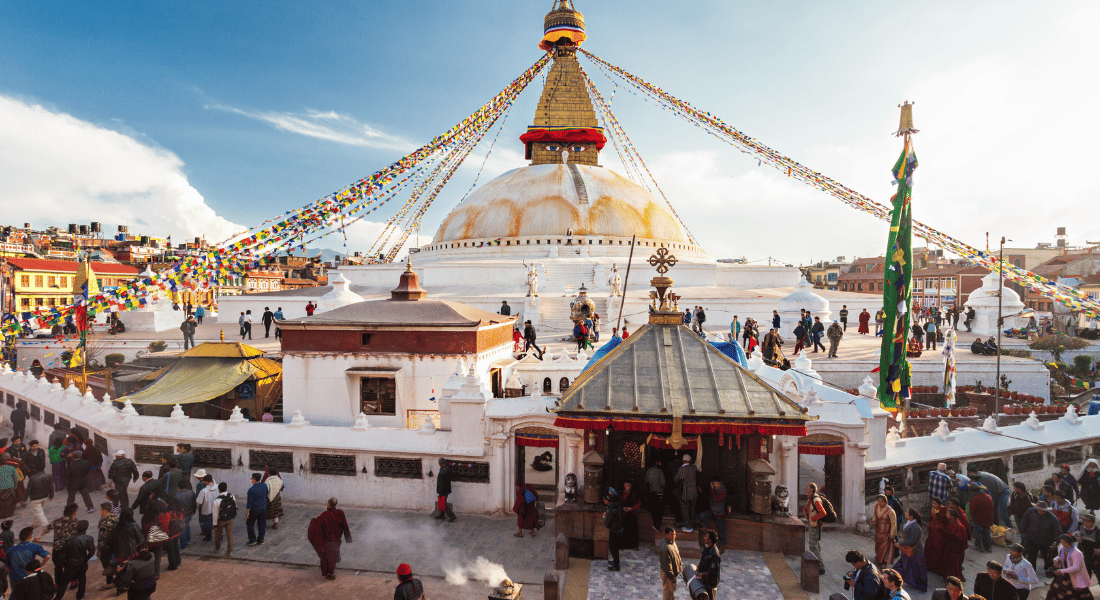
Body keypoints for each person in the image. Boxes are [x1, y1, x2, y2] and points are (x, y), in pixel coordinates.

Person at [307, 498, 352, 580]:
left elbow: (315, 525)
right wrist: (348, 537)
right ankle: (333, 565)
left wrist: (312, 521)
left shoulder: (324, 515)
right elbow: (345, 525)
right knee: (334, 551)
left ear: (328, 504)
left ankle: (331, 573)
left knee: (327, 556)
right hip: (337, 539)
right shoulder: (340, 512)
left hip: (328, 541)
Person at [53, 519, 94, 600]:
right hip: (82, 562)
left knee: (64, 582)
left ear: (76, 528)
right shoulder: (89, 538)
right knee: (82, 579)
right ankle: (80, 596)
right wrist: (86, 559)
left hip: (70, 563)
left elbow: (62, 555)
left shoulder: (69, 540)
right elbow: (92, 552)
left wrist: (63, 564)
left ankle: (58, 598)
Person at [1019, 501, 1060, 574]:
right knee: (1031, 556)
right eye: (1039, 509)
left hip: (1046, 540)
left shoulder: (1053, 518)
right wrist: (1023, 532)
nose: (1040, 511)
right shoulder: (1030, 512)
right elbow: (1024, 522)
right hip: (1032, 538)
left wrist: (1056, 542)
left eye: (1042, 510)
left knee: (1048, 557)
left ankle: (1049, 569)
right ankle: (1031, 571)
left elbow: (1057, 531)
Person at [894, 508, 928, 593]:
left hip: (915, 551)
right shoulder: (910, 522)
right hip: (908, 549)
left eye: (907, 512)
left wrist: (900, 544)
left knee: (916, 569)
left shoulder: (915, 526)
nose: (905, 513)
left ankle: (916, 584)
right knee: (906, 565)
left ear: (911, 516)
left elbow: (913, 540)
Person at [1049, 533, 1091, 599]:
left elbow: (1076, 567)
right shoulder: (1062, 548)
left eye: (1064, 542)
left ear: (1070, 542)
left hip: (1073, 576)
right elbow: (1060, 557)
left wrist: (1061, 571)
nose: (1062, 544)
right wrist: (1056, 559)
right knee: (1054, 588)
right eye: (1061, 542)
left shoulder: (1077, 553)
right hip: (1063, 575)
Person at [804, 483, 827, 573]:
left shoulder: (815, 499)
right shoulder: (811, 498)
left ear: (811, 490)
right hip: (813, 524)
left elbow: (823, 513)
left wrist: (813, 519)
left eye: (807, 487)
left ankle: (820, 567)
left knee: (813, 546)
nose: (805, 488)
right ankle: (818, 564)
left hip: (815, 525)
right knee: (815, 545)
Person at [698, 479, 728, 547]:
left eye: (717, 484)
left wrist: (712, 490)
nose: (716, 486)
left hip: (720, 514)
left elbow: (716, 499)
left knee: (721, 531)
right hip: (713, 512)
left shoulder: (723, 490)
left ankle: (722, 546)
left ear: (720, 483)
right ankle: (704, 527)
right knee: (702, 515)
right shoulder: (712, 490)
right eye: (714, 484)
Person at [96, 502, 118, 590]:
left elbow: (101, 538)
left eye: (100, 509)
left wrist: (99, 551)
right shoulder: (116, 517)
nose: (99, 511)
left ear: (104, 511)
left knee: (107, 565)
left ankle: (109, 583)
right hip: (116, 546)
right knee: (114, 563)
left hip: (107, 547)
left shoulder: (105, 523)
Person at [674, 454, 698, 532]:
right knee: (692, 509)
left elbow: (676, 479)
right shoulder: (694, 468)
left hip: (685, 493)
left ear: (683, 460)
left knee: (685, 509)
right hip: (694, 493)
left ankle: (688, 527)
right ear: (690, 460)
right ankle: (692, 524)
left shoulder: (682, 469)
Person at [873, 494, 898, 567]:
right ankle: (878, 558)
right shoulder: (876, 506)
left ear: (886, 502)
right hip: (878, 529)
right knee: (878, 544)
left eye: (882, 501)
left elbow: (894, 523)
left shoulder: (890, 511)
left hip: (886, 530)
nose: (880, 503)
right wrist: (874, 521)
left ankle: (884, 562)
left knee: (885, 546)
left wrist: (892, 534)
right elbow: (874, 516)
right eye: (878, 501)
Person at [212, 482, 236, 556]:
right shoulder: (232, 496)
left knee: (218, 534)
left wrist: (214, 524)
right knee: (229, 535)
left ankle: (217, 548)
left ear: (219, 490)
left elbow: (215, 514)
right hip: (229, 519)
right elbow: (234, 506)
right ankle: (230, 551)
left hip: (220, 520)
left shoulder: (216, 501)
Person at [1073, 512, 1098, 583]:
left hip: (1094, 555)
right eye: (1084, 521)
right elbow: (1074, 534)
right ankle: (1085, 588)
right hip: (1083, 553)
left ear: (1093, 522)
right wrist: (1077, 538)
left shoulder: (1097, 532)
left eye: (1088, 522)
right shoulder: (1080, 527)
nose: (1086, 523)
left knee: (1097, 572)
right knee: (1085, 572)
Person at [603, 489, 623, 571]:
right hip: (619, 529)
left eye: (604, 499)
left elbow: (606, 524)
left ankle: (616, 566)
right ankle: (615, 561)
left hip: (614, 530)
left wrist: (605, 516)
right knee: (615, 548)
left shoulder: (610, 510)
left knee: (613, 548)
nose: (603, 500)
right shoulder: (617, 505)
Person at [658, 527, 681, 600]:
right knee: (667, 593)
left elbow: (677, 553)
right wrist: (672, 577)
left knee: (671, 592)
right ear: (667, 535)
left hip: (673, 572)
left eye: (674, 534)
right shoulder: (665, 548)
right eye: (672, 534)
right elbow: (667, 565)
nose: (674, 536)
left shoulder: (672, 542)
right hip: (668, 575)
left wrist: (680, 564)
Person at [697, 530, 721, 600]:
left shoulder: (715, 554)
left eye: (706, 537)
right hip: (704, 580)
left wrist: (701, 574)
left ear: (710, 540)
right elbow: (702, 560)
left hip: (710, 584)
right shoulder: (706, 548)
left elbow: (712, 571)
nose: (704, 538)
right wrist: (698, 568)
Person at [971, 485, 995, 553]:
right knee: (986, 532)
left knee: (978, 532)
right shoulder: (988, 497)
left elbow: (972, 510)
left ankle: (978, 545)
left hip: (978, 518)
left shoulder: (975, 498)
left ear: (973, 492)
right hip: (988, 518)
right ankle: (987, 546)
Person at [245, 473, 267, 546]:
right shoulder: (264, 486)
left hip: (254, 509)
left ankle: (252, 539)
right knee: (261, 523)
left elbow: (249, 503)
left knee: (250, 523)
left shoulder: (251, 490)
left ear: (254, 480)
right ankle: (261, 539)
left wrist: (247, 512)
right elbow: (266, 496)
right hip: (263, 507)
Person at [645, 460, 666, 532]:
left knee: (654, 510)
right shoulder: (660, 471)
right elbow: (663, 483)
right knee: (659, 510)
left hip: (652, 493)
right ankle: (657, 525)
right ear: (656, 463)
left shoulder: (648, 472)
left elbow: (646, 482)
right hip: (659, 493)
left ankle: (654, 524)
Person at [195, 473, 217, 542]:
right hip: (216, 508)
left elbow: (199, 502)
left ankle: (208, 537)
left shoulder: (203, 491)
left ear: (206, 482)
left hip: (207, 509)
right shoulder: (217, 487)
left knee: (207, 524)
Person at [620, 481, 641, 550]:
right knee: (624, 530)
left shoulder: (634, 494)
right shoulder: (621, 494)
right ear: (624, 486)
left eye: (628, 486)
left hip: (632, 515)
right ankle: (623, 545)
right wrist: (623, 508)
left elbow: (638, 503)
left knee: (633, 530)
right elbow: (619, 503)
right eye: (626, 486)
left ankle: (634, 545)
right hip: (624, 515)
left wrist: (632, 508)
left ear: (631, 486)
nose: (627, 488)